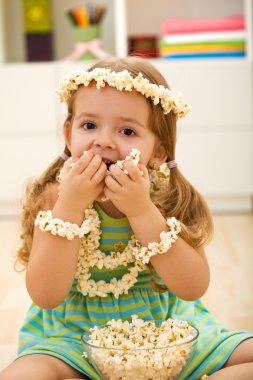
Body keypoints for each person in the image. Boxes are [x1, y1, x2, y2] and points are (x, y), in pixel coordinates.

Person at [0, 57, 252, 380]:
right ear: (68, 134)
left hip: (166, 337)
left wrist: (142, 211)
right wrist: (70, 207)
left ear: (159, 152)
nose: (103, 141)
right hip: (75, 344)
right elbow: (45, 294)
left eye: (127, 130)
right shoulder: (55, 197)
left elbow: (193, 286)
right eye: (89, 125)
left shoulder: (166, 198)